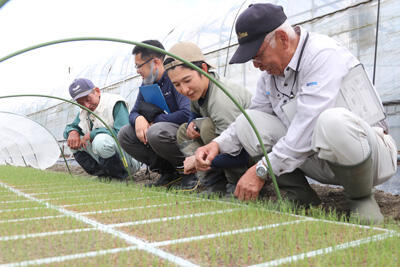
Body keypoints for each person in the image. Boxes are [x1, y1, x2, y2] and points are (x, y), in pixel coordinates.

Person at [194, 3, 397, 224]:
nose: (256, 65)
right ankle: (299, 195)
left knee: (331, 121)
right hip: (319, 157)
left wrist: (261, 170)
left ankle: (361, 198)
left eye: (258, 55)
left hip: (370, 155)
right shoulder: (270, 76)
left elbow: (308, 127)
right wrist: (218, 144)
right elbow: (255, 114)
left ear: (282, 38)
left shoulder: (322, 54)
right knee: (247, 122)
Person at [164, 42, 253, 194]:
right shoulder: (197, 90)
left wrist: (197, 162)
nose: (184, 90)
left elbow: (238, 152)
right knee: (184, 130)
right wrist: (192, 122)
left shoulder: (221, 99)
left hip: (251, 155)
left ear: (203, 69)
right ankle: (214, 185)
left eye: (187, 80)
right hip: (227, 150)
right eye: (176, 84)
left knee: (206, 127)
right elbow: (195, 112)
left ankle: (236, 185)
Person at [118, 40, 194, 188]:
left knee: (155, 131)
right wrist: (139, 118)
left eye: (139, 66)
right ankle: (168, 173)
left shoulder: (175, 78)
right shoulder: (147, 83)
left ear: (156, 62)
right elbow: (133, 113)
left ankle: (190, 172)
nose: (137, 70)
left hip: (186, 132)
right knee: (125, 134)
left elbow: (187, 113)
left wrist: (156, 120)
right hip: (164, 132)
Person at [64, 78, 140, 179]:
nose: (86, 105)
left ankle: (119, 176)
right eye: (80, 103)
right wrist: (72, 132)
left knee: (101, 141)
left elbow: (123, 133)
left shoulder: (115, 103)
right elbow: (71, 127)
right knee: (73, 142)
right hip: (107, 159)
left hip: (128, 160)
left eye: (88, 99)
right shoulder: (84, 111)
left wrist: (92, 134)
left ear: (97, 91)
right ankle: (103, 175)